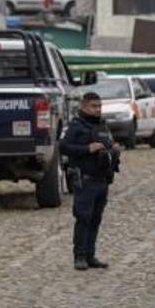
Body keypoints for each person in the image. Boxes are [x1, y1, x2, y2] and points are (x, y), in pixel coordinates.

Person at [60, 92, 120, 271]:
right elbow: (63, 147)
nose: (98, 109)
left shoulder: (102, 125)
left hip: (102, 179)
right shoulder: (77, 126)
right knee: (83, 218)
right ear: (84, 106)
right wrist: (87, 148)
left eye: (99, 106)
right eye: (94, 106)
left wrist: (113, 148)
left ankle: (90, 255)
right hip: (85, 180)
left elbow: (107, 144)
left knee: (95, 219)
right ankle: (79, 256)